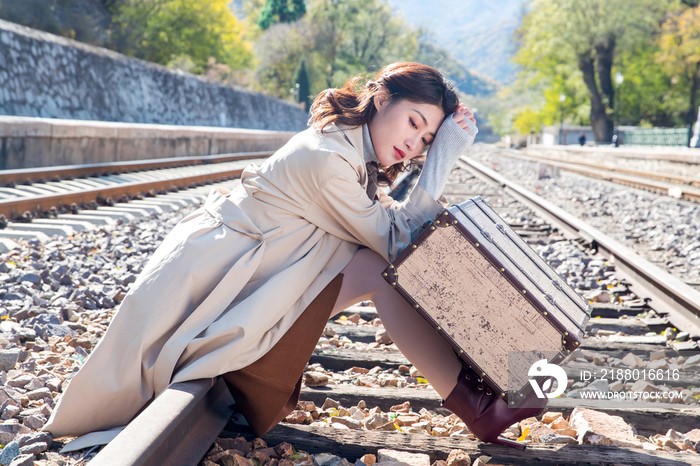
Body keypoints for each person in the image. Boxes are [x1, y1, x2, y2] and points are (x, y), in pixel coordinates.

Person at [43, 62, 528, 449]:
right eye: (414, 123)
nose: (413, 143)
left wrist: (436, 156)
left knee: (388, 265)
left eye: (426, 140)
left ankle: (484, 390)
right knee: (386, 271)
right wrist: (443, 160)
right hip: (223, 283)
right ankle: (480, 406)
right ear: (382, 99)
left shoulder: (350, 150)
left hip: (255, 273)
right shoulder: (329, 160)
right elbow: (398, 242)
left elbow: (400, 228)